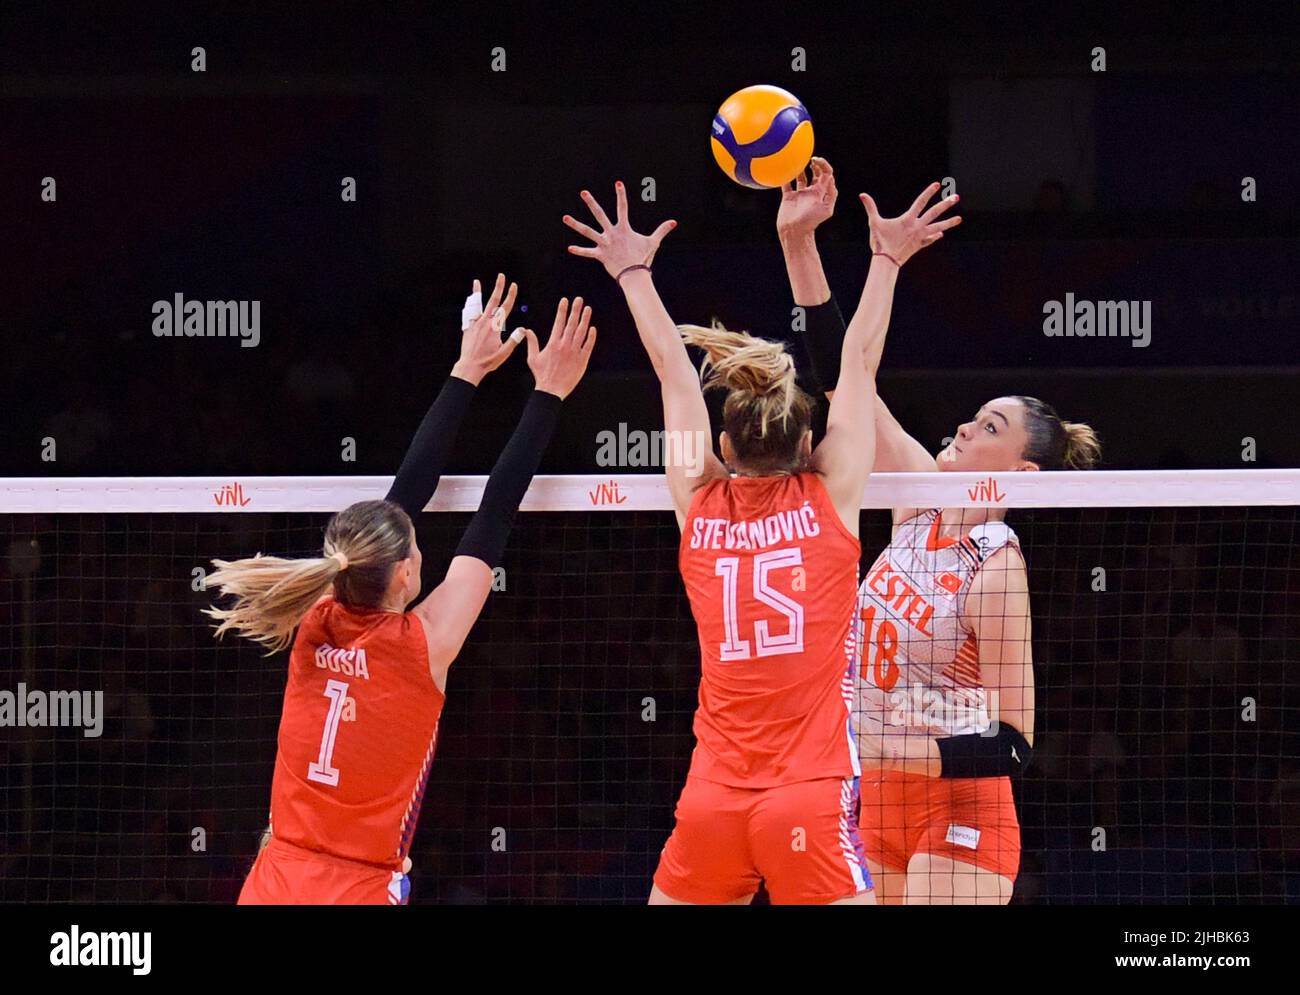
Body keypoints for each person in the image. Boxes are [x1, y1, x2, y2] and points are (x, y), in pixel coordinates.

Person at [563, 178, 954, 904]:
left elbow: (675, 374)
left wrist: (632, 273)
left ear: (722, 444)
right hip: (806, 797)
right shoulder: (832, 498)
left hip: (712, 799)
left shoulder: (700, 505)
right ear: (807, 440)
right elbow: (855, 369)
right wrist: (885, 258)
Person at [204, 275, 596, 904]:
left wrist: (468, 367)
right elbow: (494, 515)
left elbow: (403, 498)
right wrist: (548, 392)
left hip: (274, 877)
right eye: (416, 549)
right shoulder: (425, 643)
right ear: (409, 574)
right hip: (357, 888)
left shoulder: (316, 614)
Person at [778, 158, 1099, 903]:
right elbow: (845, 382)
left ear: (1019, 475)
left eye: (990, 426)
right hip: (874, 801)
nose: (964, 423)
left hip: (960, 809)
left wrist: (900, 749)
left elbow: (1013, 743)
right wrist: (811, 248)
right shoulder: (914, 500)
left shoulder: (997, 566)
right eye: (976, 412)